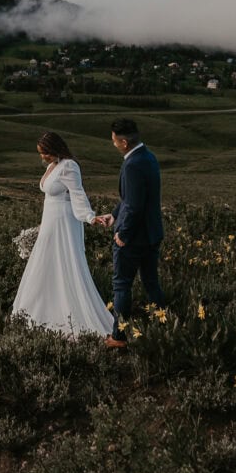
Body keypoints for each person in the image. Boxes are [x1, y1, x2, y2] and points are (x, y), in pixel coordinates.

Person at [12, 132, 112, 337]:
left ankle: (68, 314)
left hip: (64, 223)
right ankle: (37, 311)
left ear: (56, 149)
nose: (43, 158)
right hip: (50, 222)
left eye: (45, 153)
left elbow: (77, 195)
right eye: (41, 154)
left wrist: (90, 217)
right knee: (45, 262)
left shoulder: (69, 166)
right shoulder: (53, 166)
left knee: (64, 262)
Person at [96, 118, 165, 349]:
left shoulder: (132, 164)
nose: (113, 144)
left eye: (114, 141)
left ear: (124, 142)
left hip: (134, 237)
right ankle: (164, 324)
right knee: (151, 282)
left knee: (121, 285)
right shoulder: (148, 157)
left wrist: (122, 233)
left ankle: (118, 337)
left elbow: (134, 205)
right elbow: (131, 199)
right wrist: (115, 215)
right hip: (151, 234)